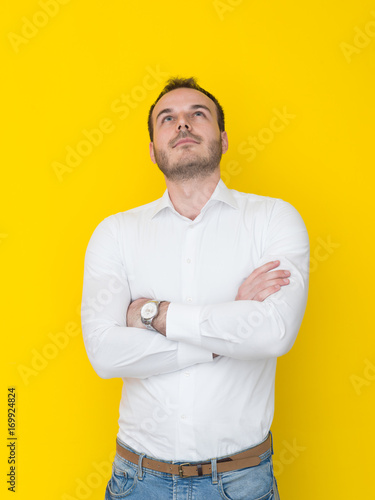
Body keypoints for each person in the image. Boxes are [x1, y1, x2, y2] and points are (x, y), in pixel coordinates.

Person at [81, 77, 309, 500]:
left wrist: (153, 314)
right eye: (168, 119)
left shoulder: (274, 219)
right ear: (153, 149)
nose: (182, 124)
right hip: (138, 481)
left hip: (242, 482)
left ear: (222, 140)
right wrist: (225, 329)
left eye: (196, 114)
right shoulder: (115, 233)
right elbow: (105, 354)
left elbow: (274, 333)